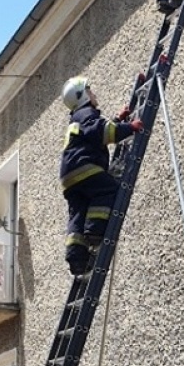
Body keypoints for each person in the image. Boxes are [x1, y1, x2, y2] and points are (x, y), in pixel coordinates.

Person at [60, 76, 144, 277]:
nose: (94, 94)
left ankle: (77, 258)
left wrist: (118, 119)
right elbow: (103, 132)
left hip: (69, 177)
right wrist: (129, 128)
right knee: (109, 189)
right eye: (89, 90)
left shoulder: (77, 119)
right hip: (85, 169)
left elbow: (96, 135)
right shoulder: (87, 113)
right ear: (82, 96)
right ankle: (96, 231)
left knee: (78, 213)